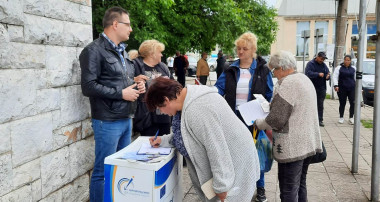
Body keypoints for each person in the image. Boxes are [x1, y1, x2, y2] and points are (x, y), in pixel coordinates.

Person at [146, 77, 260, 202]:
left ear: (166, 100)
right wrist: (163, 140)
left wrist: (222, 186)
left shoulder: (197, 109)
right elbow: (189, 135)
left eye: (159, 108)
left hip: (235, 162)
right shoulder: (188, 99)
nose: (161, 112)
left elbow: (216, 148)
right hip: (231, 160)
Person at [79, 7, 147, 202]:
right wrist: (121, 93)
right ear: (115, 24)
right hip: (107, 121)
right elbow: (88, 86)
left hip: (126, 118)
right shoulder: (93, 50)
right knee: (103, 170)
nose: (131, 29)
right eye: (128, 24)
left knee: (120, 168)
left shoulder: (122, 52)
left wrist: (136, 82)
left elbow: (115, 80)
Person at [254, 50, 322, 202]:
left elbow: (276, 119)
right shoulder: (303, 79)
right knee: (300, 185)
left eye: (274, 70)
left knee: (288, 190)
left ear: (283, 68)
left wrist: (259, 123)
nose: (274, 74)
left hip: (293, 146)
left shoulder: (288, 84)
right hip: (307, 143)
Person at [214, 31, 273, 202]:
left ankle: (260, 188)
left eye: (244, 49)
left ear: (253, 50)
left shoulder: (262, 69)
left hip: (255, 120)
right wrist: (211, 93)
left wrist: (263, 110)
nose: (240, 52)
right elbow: (219, 88)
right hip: (234, 118)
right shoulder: (230, 69)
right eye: (238, 49)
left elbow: (269, 94)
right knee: (234, 154)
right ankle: (238, 186)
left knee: (257, 154)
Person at [132, 39, 173, 136]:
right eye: (160, 52)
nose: (162, 55)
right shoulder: (135, 66)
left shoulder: (163, 66)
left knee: (164, 145)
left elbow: (173, 84)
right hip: (147, 116)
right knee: (148, 146)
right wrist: (135, 80)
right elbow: (126, 82)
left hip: (164, 115)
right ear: (152, 53)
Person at [305, 51, 330, 127]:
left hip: (321, 88)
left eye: (323, 59)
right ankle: (310, 120)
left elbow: (327, 73)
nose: (322, 60)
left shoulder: (324, 65)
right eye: (321, 58)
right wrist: (317, 74)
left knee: (320, 104)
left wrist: (328, 76)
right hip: (312, 87)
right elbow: (308, 73)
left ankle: (320, 120)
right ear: (317, 57)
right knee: (311, 104)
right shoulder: (310, 64)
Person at [333, 55, 356, 124]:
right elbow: (335, 77)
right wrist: (336, 85)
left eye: (348, 60)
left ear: (350, 61)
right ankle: (341, 117)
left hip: (352, 88)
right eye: (346, 60)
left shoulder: (353, 68)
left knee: (353, 103)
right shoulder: (339, 68)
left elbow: (356, 78)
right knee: (342, 103)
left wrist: (359, 87)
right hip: (342, 88)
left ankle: (351, 117)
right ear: (344, 60)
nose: (347, 61)